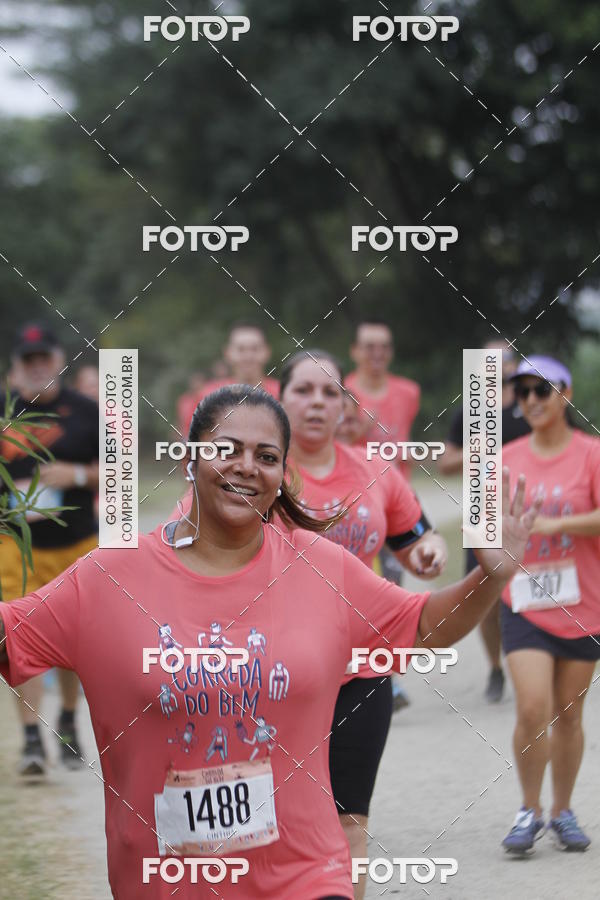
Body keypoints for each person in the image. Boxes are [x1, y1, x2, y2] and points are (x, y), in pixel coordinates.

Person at [0, 384, 541, 899]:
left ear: (283, 473)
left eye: (266, 456)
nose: (246, 466)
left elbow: (422, 626)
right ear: (190, 459)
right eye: (226, 449)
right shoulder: (109, 577)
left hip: (304, 873)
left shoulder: (323, 567)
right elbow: (12, 639)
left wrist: (489, 577)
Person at [279, 350, 447, 900]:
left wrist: (429, 551)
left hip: (362, 668)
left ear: (347, 406)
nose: (317, 403)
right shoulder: (253, 472)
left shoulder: (377, 472)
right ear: (279, 398)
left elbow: (416, 535)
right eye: (304, 390)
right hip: (274, 675)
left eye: (330, 393)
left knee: (350, 822)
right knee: (276, 826)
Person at [498, 356, 600, 854]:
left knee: (569, 714)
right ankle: (528, 810)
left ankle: (562, 812)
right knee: (533, 705)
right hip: (522, 600)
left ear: (567, 393)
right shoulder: (503, 458)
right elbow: (482, 527)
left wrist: (554, 526)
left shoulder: (592, 453)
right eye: (523, 392)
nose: (533, 400)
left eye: (543, 390)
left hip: (584, 602)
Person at [0, 323, 99, 777]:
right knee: (15, 642)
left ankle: (67, 722)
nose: (38, 368)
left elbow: (119, 475)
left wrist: (74, 476)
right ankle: (32, 738)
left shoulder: (90, 411)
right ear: (16, 368)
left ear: (59, 361)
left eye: (45, 359)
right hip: (15, 547)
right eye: (28, 361)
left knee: (76, 645)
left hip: (79, 542)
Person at [438, 343, 530, 702]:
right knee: (486, 598)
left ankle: (535, 665)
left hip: (528, 513)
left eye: (502, 360)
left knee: (532, 594)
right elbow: (445, 464)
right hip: (484, 514)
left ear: (513, 365)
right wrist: (479, 449)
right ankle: (495, 667)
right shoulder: (470, 411)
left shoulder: (531, 403)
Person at [178, 322, 279, 434]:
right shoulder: (207, 396)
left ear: (267, 352)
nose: (248, 356)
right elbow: (192, 443)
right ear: (228, 353)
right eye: (241, 349)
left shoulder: (284, 393)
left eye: (255, 349)